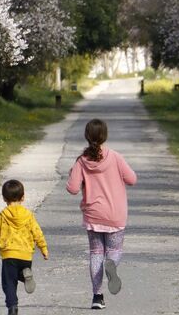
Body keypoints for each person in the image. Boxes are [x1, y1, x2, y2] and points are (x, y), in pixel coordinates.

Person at [66, 118, 137, 310]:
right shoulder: (115, 157)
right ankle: (111, 264)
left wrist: (73, 174)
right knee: (114, 250)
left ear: (86, 136)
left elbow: (72, 189)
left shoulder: (81, 161)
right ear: (104, 136)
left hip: (93, 215)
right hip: (115, 214)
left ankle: (97, 297)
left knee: (96, 253)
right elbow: (132, 179)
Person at [0, 179, 49, 315]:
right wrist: (43, 248)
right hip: (26, 254)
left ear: (4, 198)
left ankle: (12, 307)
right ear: (23, 197)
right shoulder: (28, 215)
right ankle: (24, 273)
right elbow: (37, 232)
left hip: (9, 255)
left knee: (9, 283)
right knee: (21, 272)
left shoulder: (2, 216)